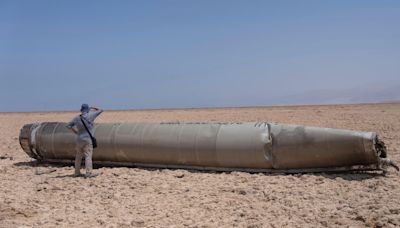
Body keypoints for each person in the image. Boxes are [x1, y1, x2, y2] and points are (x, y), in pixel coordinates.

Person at [66, 104, 103, 178]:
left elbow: (68, 126)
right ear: (87, 110)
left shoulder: (76, 118)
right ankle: (88, 173)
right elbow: (101, 110)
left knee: (78, 156)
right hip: (88, 139)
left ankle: (76, 172)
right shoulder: (91, 115)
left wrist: (76, 132)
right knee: (88, 156)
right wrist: (93, 107)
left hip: (79, 139)